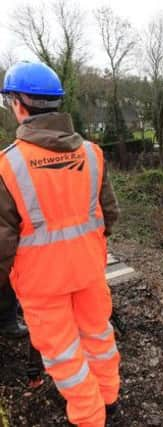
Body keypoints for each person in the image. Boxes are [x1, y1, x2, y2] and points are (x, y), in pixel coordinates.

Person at [0, 61, 121, 427]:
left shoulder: (8, 166)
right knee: (99, 336)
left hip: (42, 285)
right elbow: (110, 215)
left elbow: (3, 243)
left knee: (65, 356)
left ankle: (89, 418)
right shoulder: (91, 153)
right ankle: (110, 401)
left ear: (19, 105)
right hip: (88, 271)